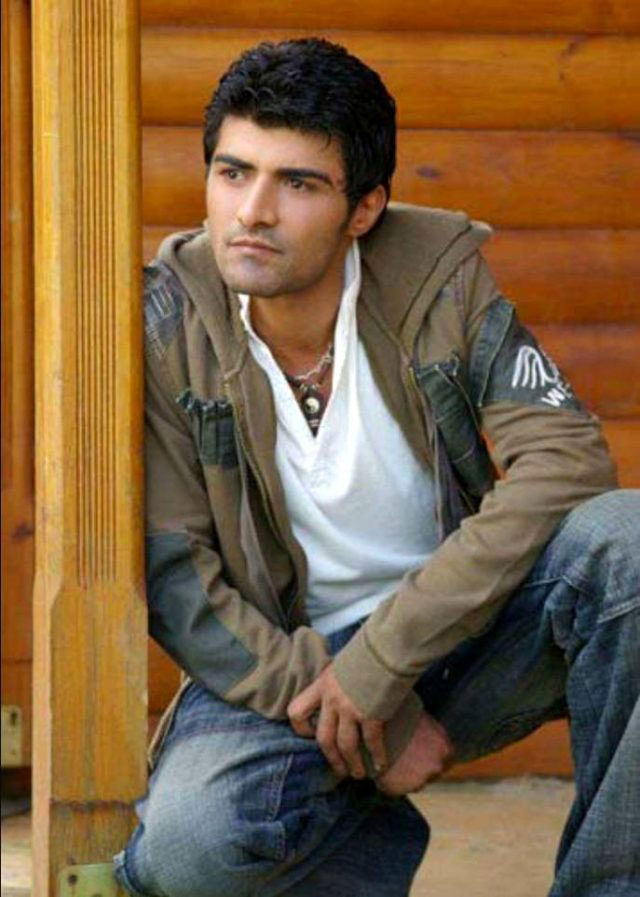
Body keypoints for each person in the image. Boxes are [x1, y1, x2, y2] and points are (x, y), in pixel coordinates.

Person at [114, 38, 639, 897]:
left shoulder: (439, 278)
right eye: (233, 172)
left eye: (297, 183)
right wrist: (356, 704)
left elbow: (566, 460)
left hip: (459, 631)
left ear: (364, 209)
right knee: (185, 851)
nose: (252, 212)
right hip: (281, 667)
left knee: (630, 545)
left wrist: (382, 664)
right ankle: (359, 823)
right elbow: (179, 575)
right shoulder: (169, 321)